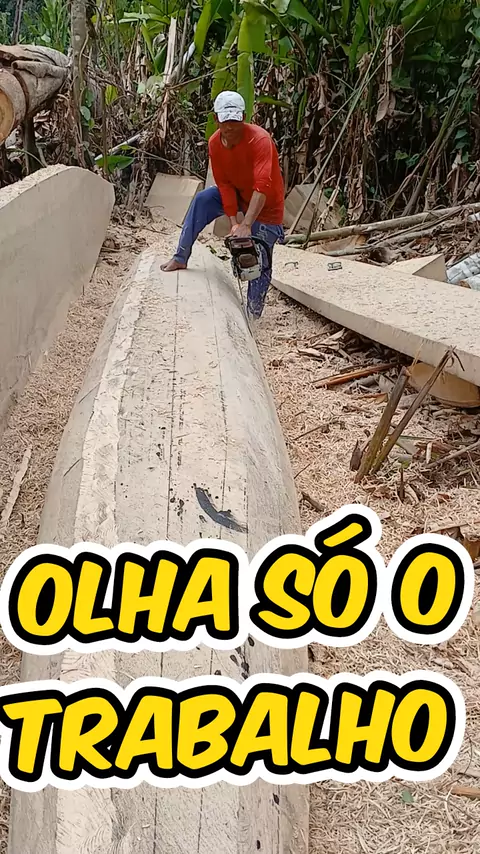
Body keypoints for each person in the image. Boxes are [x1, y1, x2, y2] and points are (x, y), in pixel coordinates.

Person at [161, 90, 285, 320]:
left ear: (244, 117)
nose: (229, 127)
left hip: (266, 203)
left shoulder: (260, 141)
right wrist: (234, 223)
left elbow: (262, 187)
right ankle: (180, 257)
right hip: (238, 193)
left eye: (234, 122)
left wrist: (247, 225)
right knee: (203, 200)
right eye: (225, 121)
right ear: (216, 119)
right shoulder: (214, 143)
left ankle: (253, 314)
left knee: (259, 256)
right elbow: (225, 185)